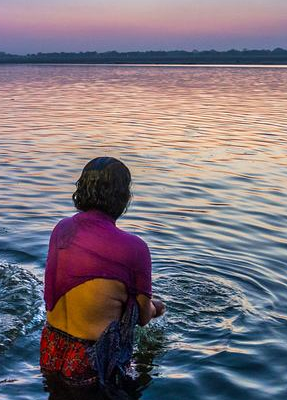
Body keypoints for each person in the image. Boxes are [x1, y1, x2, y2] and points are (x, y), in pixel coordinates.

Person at [41, 157, 165, 396]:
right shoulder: (134, 248)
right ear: (122, 197)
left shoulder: (62, 229)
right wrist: (158, 307)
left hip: (50, 347)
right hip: (91, 359)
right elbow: (142, 318)